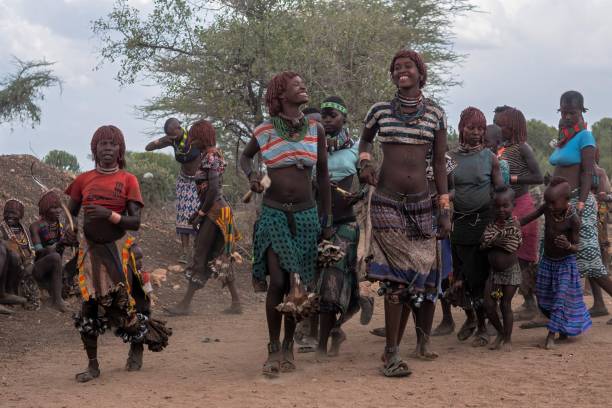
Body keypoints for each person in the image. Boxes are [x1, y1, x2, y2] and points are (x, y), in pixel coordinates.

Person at [358, 49, 450, 377]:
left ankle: (419, 341)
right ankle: (391, 353)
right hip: (386, 201)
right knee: (397, 280)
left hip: (423, 204)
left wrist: (444, 206)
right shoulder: (379, 111)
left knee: (422, 276)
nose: (402, 71)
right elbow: (364, 142)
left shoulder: (436, 114)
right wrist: (364, 163)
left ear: (420, 73)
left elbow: (439, 162)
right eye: (396, 68)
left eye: (407, 66)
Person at [240, 71, 332, 377]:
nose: (303, 87)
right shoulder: (265, 130)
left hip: (306, 215)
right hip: (275, 212)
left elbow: (323, 176)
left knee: (298, 285)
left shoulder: (315, 129)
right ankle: (273, 347)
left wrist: (326, 220)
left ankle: (289, 345)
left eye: (304, 83)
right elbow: (245, 158)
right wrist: (252, 176)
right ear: (281, 94)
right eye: (296, 85)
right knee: (278, 282)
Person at [66, 125, 171, 383]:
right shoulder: (83, 180)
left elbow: (134, 222)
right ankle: (92, 365)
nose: (108, 149)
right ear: (95, 149)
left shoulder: (128, 180)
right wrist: (67, 232)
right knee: (89, 305)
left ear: (120, 150)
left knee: (131, 302)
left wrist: (107, 215)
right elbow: (70, 214)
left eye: (113, 145)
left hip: (119, 249)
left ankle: (136, 347)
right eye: (103, 144)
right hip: (91, 251)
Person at [164, 120, 242, 315]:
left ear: (202, 137)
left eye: (194, 137)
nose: (191, 140)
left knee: (200, 254)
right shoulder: (210, 155)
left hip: (215, 212)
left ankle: (185, 304)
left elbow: (214, 189)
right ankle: (236, 302)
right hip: (215, 210)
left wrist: (200, 213)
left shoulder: (210, 156)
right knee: (218, 256)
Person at [548, 91, 612, 319]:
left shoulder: (585, 136)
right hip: (562, 205)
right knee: (565, 257)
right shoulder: (564, 136)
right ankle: (578, 310)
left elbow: (587, 171)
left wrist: (582, 202)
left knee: (589, 259)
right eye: (563, 111)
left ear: (582, 112)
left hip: (578, 202)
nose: (566, 116)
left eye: (572, 112)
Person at [449, 107, 503, 348]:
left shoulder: (490, 158)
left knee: (478, 277)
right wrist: (448, 198)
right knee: (460, 278)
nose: (476, 133)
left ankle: (482, 327)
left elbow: (500, 190)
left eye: (480, 129)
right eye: (471, 128)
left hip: (483, 223)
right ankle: (470, 318)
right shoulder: (450, 158)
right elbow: (445, 188)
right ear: (462, 128)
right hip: (458, 224)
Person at [316, 96, 363, 357]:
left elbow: (369, 179)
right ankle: (329, 332)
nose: (327, 120)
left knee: (333, 281)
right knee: (315, 282)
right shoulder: (311, 147)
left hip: (344, 223)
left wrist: (361, 193)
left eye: (332, 115)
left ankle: (324, 341)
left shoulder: (356, 150)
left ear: (344, 118)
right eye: (323, 115)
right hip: (315, 222)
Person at [520, 177, 591, 349]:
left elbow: (577, 247)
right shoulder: (547, 208)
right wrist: (515, 222)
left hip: (565, 264)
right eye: (547, 202)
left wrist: (568, 245)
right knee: (543, 297)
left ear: (566, 201)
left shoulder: (573, 219)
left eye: (553, 203)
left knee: (559, 299)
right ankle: (562, 330)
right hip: (548, 262)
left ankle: (551, 336)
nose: (550, 206)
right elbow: (529, 217)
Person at [494, 106, 544, 322]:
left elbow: (538, 177)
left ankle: (531, 303)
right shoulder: (500, 148)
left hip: (522, 205)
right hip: (505, 207)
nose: (497, 128)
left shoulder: (523, 148)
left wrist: (512, 179)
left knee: (520, 258)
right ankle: (527, 302)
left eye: (500, 124)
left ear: (512, 126)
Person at [145, 118, 201, 264]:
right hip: (184, 181)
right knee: (183, 216)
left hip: (199, 182)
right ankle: (184, 252)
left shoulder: (195, 138)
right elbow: (148, 147)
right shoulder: (172, 140)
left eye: (173, 134)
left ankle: (199, 251)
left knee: (199, 215)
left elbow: (209, 150)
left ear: (179, 127)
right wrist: (161, 141)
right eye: (169, 135)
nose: (172, 137)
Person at [481, 186, 522, 351]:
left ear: (513, 205)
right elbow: (483, 244)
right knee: (488, 305)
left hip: (511, 271)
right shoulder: (491, 224)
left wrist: (492, 241)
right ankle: (501, 333)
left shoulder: (515, 224)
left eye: (505, 206)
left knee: (505, 304)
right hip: (494, 273)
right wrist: (492, 241)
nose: (501, 210)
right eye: (497, 206)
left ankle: (508, 339)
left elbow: (511, 245)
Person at [29, 190, 74, 312]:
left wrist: (71, 241)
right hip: (39, 269)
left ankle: (63, 291)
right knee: (54, 256)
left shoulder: (60, 227)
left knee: (80, 257)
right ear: (45, 209)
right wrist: (59, 243)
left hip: (55, 270)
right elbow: (39, 252)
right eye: (54, 208)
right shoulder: (35, 226)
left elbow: (67, 245)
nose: (59, 211)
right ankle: (57, 301)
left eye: (59, 207)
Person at [587, 148, 612, 317]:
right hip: (589, 221)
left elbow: (604, 196)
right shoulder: (583, 170)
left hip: (597, 221)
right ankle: (598, 303)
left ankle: (600, 303)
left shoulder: (598, 172)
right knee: (590, 263)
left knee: (597, 264)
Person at [0, 199, 35, 309]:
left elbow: (31, 249)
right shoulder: (1, 228)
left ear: (21, 215)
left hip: (24, 264)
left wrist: (31, 263)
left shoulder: (24, 229)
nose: (9, 216)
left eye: (13, 213)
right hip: (9, 265)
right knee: (14, 256)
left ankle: (16, 294)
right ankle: (8, 292)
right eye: (7, 213)